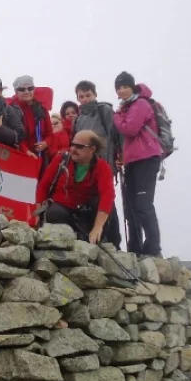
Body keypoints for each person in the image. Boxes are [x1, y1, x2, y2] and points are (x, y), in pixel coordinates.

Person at [36, 130, 115, 245]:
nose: (73, 149)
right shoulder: (60, 160)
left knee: (107, 206)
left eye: (79, 146)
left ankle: (100, 240)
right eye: (72, 144)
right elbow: (44, 185)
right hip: (61, 209)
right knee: (54, 213)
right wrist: (37, 214)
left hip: (84, 213)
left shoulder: (103, 167)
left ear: (92, 149)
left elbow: (107, 195)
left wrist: (98, 227)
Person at [114, 71, 162, 256]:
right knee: (131, 207)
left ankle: (153, 249)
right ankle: (135, 249)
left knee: (143, 205)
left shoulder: (140, 104)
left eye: (125, 86)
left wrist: (116, 116)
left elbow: (130, 129)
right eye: (119, 88)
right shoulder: (127, 107)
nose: (122, 90)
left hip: (147, 159)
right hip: (132, 161)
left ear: (132, 87)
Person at [75, 80, 123, 249]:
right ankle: (96, 239)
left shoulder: (105, 111)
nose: (85, 99)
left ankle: (114, 241)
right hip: (85, 167)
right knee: (91, 200)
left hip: (105, 164)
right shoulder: (79, 119)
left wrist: (120, 157)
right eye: (81, 96)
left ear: (95, 94)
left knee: (107, 199)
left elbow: (117, 135)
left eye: (88, 95)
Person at [10, 75, 53, 163]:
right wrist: (25, 150)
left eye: (30, 88)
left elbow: (50, 134)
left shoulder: (42, 109)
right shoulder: (11, 109)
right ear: (16, 92)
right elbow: (13, 135)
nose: (27, 92)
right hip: (19, 155)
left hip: (39, 156)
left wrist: (46, 143)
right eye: (22, 89)